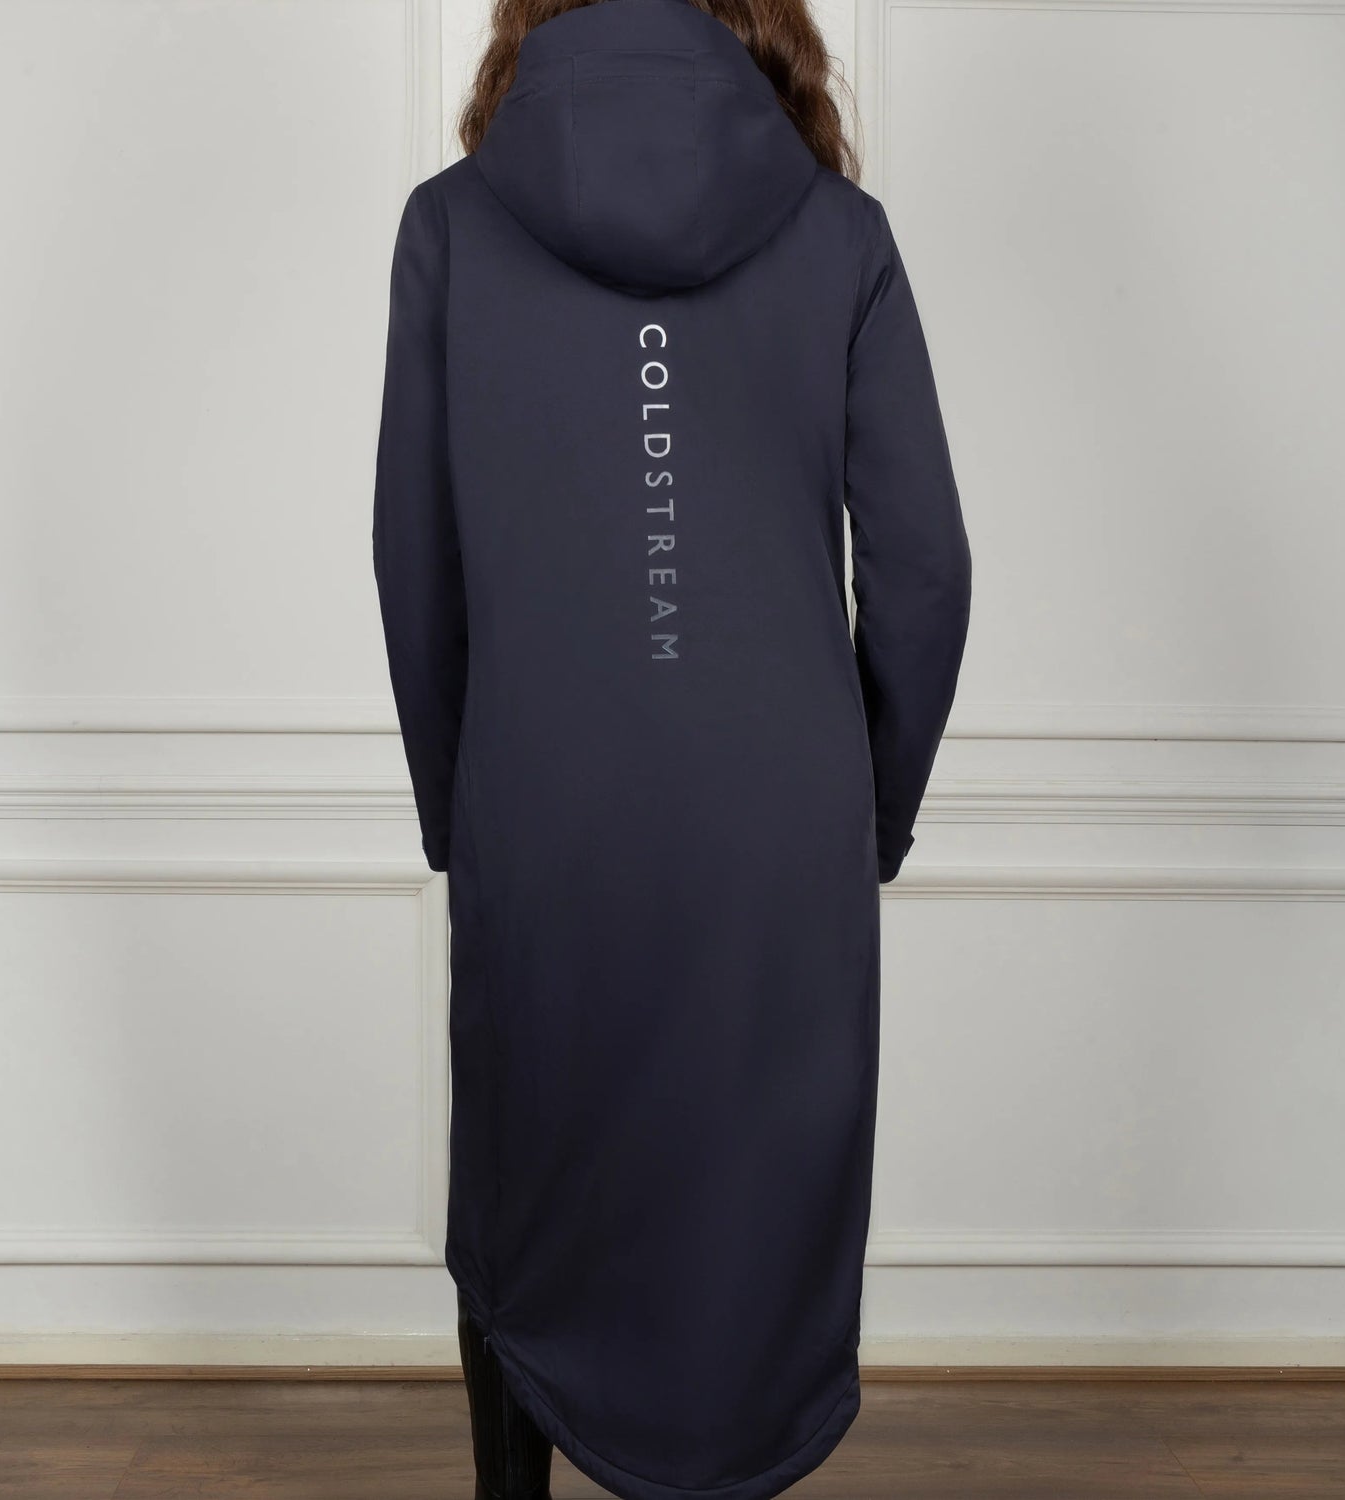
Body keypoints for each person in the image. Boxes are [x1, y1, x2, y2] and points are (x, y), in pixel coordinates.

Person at [371, 1, 972, 1496]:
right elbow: (925, 572)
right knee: (750, 1195)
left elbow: (414, 562)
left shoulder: (453, 227)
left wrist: (461, 810)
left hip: (541, 800)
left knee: (530, 1179)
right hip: (783, 822)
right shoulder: (840, 236)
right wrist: (872, 819)